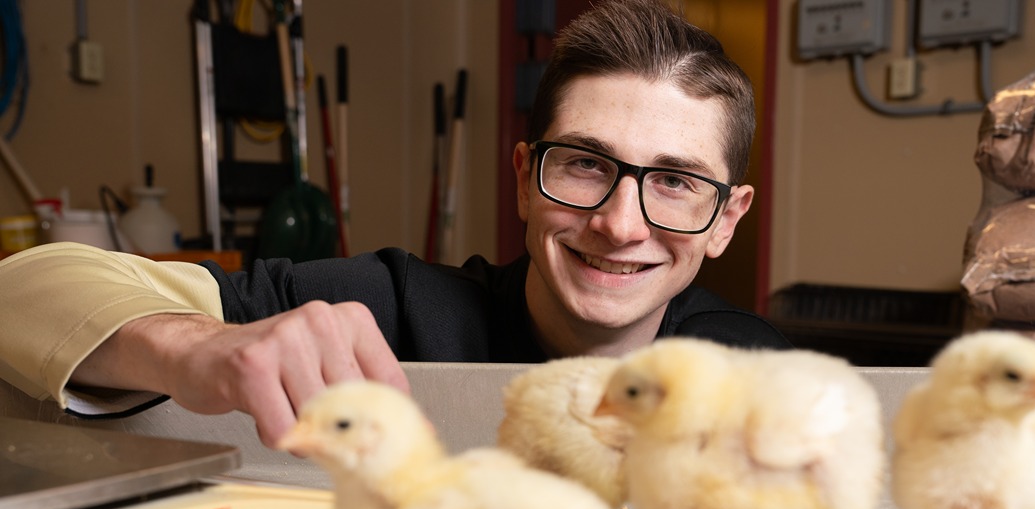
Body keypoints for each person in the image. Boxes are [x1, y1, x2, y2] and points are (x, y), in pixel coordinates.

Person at [0, 0, 789, 447]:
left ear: (727, 218)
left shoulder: (765, 374)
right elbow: (25, 288)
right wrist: (192, 347)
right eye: (585, 164)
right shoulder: (386, 308)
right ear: (523, 178)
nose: (621, 223)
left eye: (677, 181)